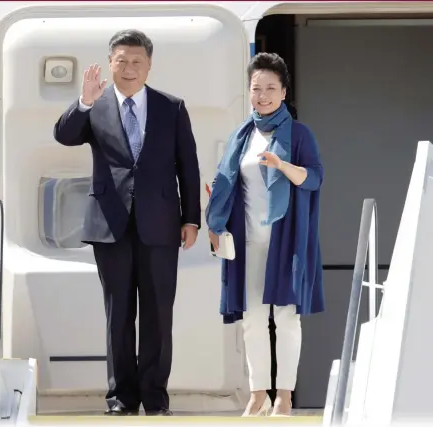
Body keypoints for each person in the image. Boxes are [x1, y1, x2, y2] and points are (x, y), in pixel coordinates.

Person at [53, 29, 201, 417]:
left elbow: (188, 165)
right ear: (110, 63)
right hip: (110, 224)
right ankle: (121, 397)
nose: (129, 68)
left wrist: (191, 220)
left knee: (157, 313)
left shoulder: (172, 106)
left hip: (161, 224)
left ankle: (155, 397)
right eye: (121, 61)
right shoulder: (95, 105)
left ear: (149, 65)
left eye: (137, 61)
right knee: (118, 314)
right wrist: (83, 102)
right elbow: (64, 135)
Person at [205, 52, 325, 417]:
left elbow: (315, 177)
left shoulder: (300, 134)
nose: (262, 95)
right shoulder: (241, 135)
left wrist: (281, 164)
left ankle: (284, 395)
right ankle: (258, 393)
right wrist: (215, 224)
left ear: (284, 92)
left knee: (286, 318)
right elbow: (226, 183)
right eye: (256, 88)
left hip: (285, 241)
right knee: (253, 319)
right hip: (248, 241)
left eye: (271, 88)